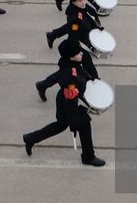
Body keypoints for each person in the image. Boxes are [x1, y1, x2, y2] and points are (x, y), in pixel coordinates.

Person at [23, 38, 105, 167]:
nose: (81, 54)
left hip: (66, 99)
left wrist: (90, 78)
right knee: (84, 124)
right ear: (71, 57)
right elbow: (71, 103)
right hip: (69, 103)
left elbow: (80, 72)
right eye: (78, 53)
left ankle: (31, 138)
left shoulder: (70, 64)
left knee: (60, 125)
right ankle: (88, 157)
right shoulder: (70, 79)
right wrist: (73, 124)